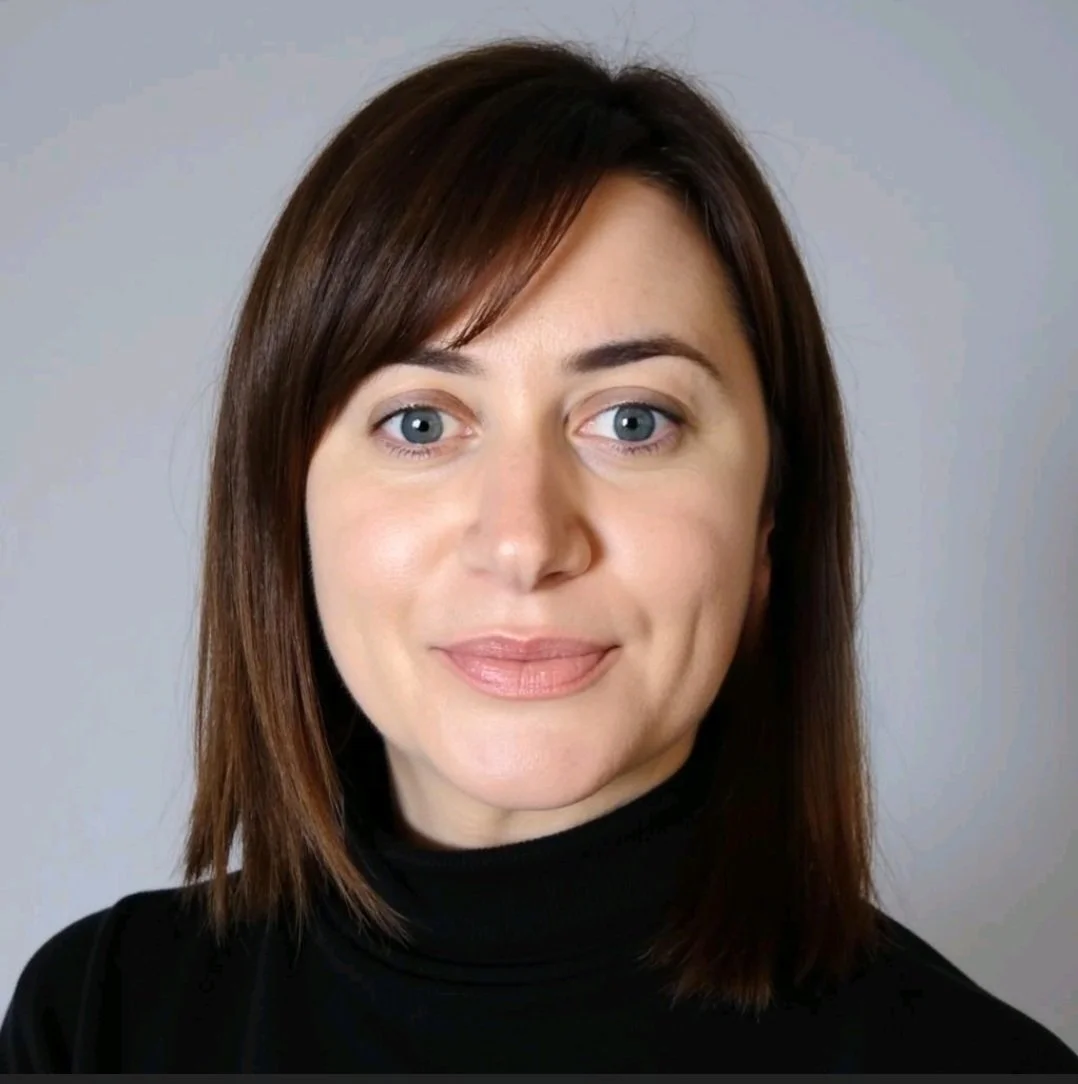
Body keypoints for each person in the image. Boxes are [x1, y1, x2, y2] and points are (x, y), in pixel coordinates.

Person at [1, 36, 1075, 1074]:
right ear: (285, 512)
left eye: (633, 422)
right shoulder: (98, 1025)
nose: (524, 540)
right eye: (421, 422)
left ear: (769, 523)